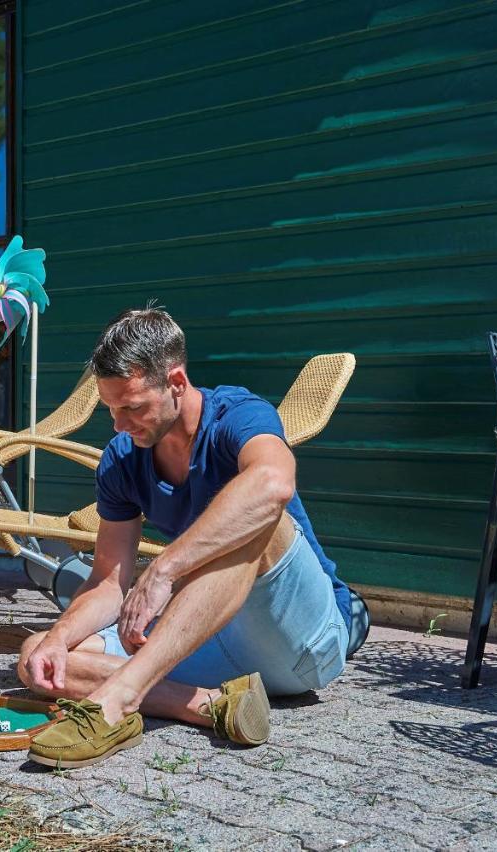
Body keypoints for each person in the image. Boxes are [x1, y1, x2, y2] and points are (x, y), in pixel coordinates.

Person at [18, 307, 351, 768]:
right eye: (110, 409)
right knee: (37, 658)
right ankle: (211, 705)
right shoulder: (122, 457)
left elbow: (275, 484)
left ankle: (118, 698)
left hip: (302, 643)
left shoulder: (238, 415)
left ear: (176, 381)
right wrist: (59, 636)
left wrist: (164, 569)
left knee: (257, 518)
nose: (119, 424)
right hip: (205, 638)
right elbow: (107, 584)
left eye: (132, 407)